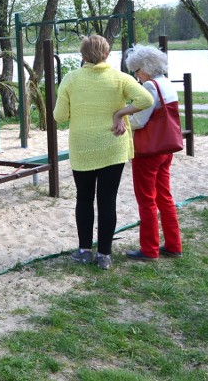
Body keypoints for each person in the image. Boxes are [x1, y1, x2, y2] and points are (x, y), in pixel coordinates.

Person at [53, 35, 153, 270]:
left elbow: (60, 116)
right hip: (113, 145)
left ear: (83, 56)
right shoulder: (120, 78)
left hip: (83, 146)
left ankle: (84, 250)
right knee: (108, 200)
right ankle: (105, 255)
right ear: (107, 54)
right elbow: (146, 98)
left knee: (84, 198)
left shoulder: (71, 79)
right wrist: (120, 113)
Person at [123, 45, 183, 261]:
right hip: (166, 148)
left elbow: (140, 121)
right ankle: (174, 244)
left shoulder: (150, 86)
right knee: (165, 196)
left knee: (146, 199)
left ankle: (149, 249)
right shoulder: (167, 83)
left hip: (149, 150)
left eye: (136, 70)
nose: (136, 75)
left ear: (145, 68)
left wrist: (122, 118)